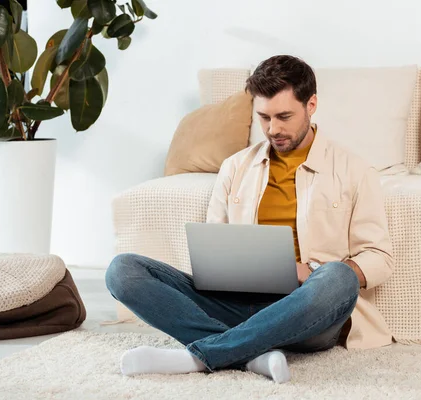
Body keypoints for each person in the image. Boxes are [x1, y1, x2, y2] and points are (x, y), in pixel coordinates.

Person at [105, 55, 395, 384]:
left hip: (307, 313)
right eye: (264, 117)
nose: (273, 129)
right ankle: (251, 353)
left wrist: (310, 272)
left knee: (338, 278)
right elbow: (215, 245)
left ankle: (201, 355)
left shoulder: (354, 171)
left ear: (311, 104)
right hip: (235, 304)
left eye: (284, 116)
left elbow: (379, 258)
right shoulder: (235, 167)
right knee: (123, 270)